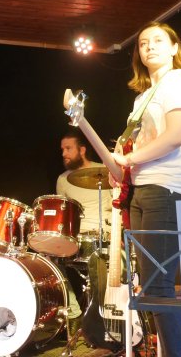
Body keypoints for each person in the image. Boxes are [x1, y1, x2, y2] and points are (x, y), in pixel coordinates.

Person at [109, 21, 181, 357]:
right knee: (150, 290)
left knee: (158, 289)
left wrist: (129, 159)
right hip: (143, 190)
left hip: (168, 188)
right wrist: (119, 167)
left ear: (175, 48)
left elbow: (175, 136)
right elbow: (137, 144)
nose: (149, 46)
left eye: (159, 40)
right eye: (143, 42)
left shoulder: (179, 81)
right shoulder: (143, 97)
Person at [54, 128, 113, 335]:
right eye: (62, 149)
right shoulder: (63, 179)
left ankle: (101, 319)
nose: (64, 154)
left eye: (68, 149)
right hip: (77, 236)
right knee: (49, 259)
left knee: (99, 265)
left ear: (82, 150)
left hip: (104, 232)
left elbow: (119, 203)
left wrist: (119, 230)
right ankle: (74, 313)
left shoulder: (104, 170)